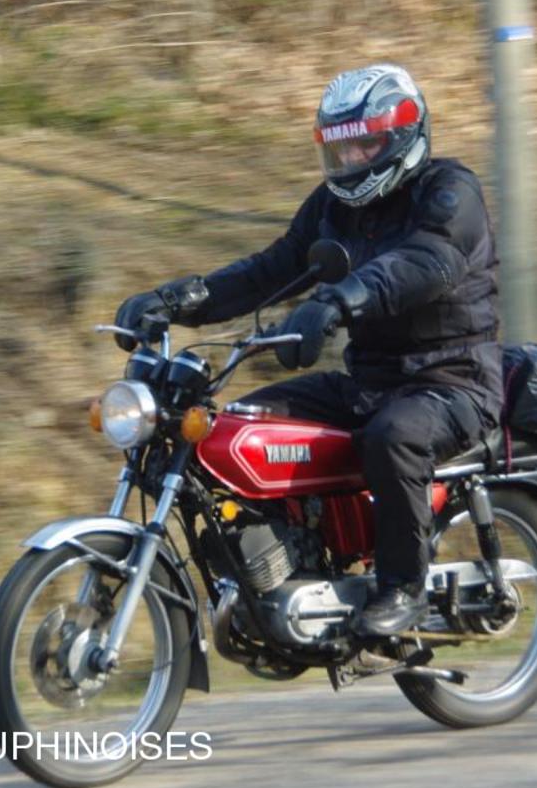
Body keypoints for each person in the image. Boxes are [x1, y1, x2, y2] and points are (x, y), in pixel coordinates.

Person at [113, 63, 501, 637]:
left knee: (394, 437)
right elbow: (272, 269)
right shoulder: (333, 207)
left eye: (366, 145)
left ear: (403, 135)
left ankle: (403, 588)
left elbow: (424, 262)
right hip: (368, 381)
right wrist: (179, 299)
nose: (352, 160)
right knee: (235, 429)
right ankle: (288, 573)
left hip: (452, 380)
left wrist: (341, 299)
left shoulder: (449, 192)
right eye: (341, 148)